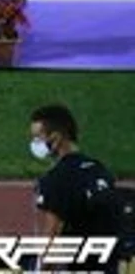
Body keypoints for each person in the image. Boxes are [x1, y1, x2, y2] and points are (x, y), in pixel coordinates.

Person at [28, 104, 131, 265]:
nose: (34, 143)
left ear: (55, 138)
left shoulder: (55, 179)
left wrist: (41, 267)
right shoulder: (99, 168)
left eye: (38, 137)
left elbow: (52, 235)